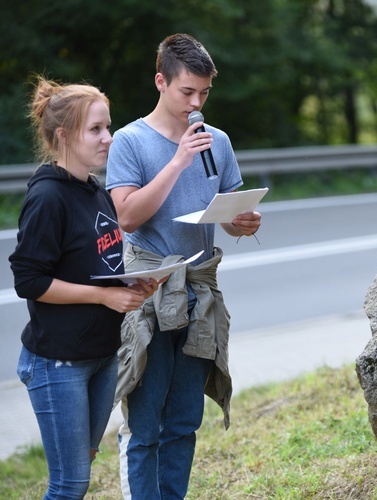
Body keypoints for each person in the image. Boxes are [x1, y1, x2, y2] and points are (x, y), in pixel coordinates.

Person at [106, 33, 261, 498]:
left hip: (200, 292)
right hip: (150, 291)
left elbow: (228, 214)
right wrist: (176, 162)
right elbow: (127, 215)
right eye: (187, 92)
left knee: (184, 421)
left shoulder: (219, 142)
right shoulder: (130, 141)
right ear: (161, 81)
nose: (197, 104)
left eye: (205, 93)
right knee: (146, 420)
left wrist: (244, 222)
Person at [8, 76, 159, 499]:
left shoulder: (95, 190)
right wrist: (106, 296)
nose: (108, 138)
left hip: (100, 355)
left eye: (107, 127)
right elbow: (29, 280)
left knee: (84, 465)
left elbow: (96, 263)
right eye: (96, 129)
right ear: (63, 135)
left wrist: (132, 284)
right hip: (58, 362)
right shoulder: (47, 198)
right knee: (69, 484)